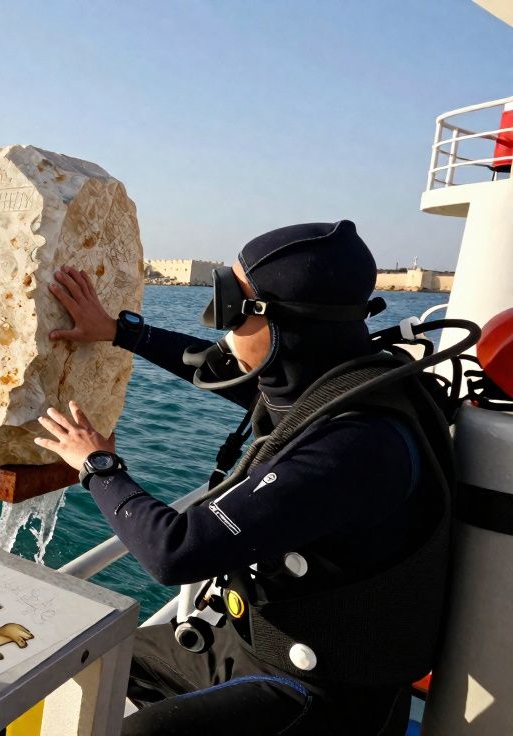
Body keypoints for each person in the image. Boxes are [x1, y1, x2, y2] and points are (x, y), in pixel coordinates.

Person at [37, 221, 451, 735]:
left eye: (232, 307)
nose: (221, 326)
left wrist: (99, 466)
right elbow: (216, 371)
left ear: (284, 324)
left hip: (315, 689)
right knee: (80, 655)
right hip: (248, 645)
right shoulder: (336, 383)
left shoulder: (357, 445)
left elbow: (175, 553)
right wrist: (118, 330)